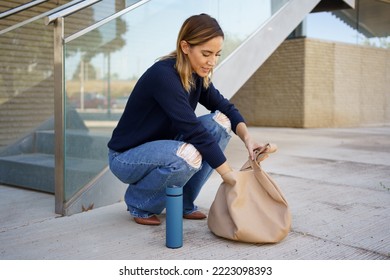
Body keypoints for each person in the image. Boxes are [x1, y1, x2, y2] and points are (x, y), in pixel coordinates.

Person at [107, 13, 263, 226]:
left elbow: (226, 107)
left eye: (217, 54)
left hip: (164, 147)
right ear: (185, 46)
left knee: (220, 123)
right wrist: (229, 176)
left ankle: (183, 203)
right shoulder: (163, 76)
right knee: (186, 155)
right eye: (206, 53)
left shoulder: (197, 76)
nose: (212, 62)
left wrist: (247, 138)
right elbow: (193, 130)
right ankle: (139, 203)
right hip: (126, 156)